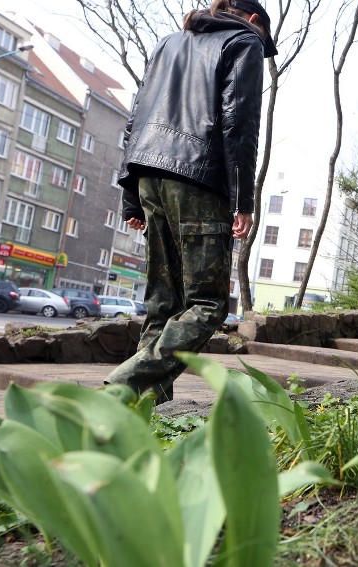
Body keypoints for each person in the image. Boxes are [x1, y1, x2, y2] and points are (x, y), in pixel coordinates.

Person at [105, 0, 278, 404]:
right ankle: (121, 387)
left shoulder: (169, 43)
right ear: (255, 20)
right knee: (207, 304)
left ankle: (141, 408)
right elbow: (239, 122)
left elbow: (136, 119)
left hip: (148, 173)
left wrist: (132, 195)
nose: (264, 47)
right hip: (198, 178)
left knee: (164, 302)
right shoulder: (244, 40)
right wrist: (242, 199)